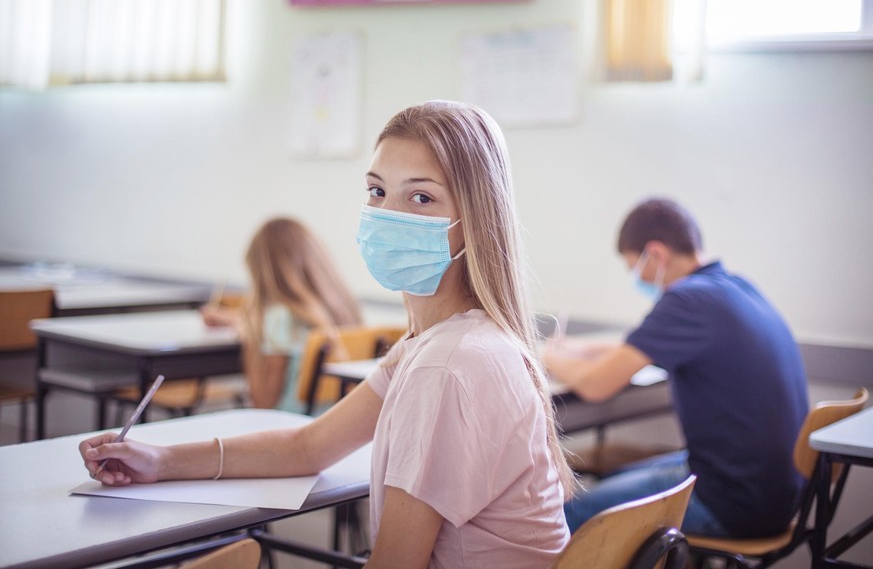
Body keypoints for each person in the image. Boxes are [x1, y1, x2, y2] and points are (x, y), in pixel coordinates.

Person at [80, 101, 574, 567]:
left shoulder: (450, 364)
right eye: (377, 191)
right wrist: (160, 460)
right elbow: (309, 448)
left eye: (421, 197)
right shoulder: (438, 344)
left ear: (475, 220)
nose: (388, 214)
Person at [544, 197, 809, 539]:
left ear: (655, 254)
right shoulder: (733, 288)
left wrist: (549, 359)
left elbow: (597, 386)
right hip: (775, 492)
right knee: (611, 479)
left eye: (633, 266)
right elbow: (638, 347)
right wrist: (580, 348)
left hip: (733, 502)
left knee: (566, 512)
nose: (637, 277)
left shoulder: (685, 301)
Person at [200, 217, 362, 413]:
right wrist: (241, 321)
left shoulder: (277, 318)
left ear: (262, 271)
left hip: (289, 428)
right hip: (332, 424)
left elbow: (263, 403)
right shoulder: (340, 307)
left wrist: (252, 338)